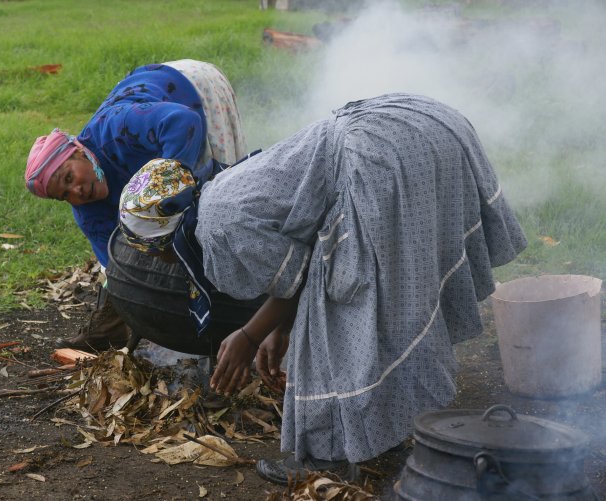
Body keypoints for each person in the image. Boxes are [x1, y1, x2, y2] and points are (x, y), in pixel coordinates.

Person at [118, 93, 527, 483]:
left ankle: (325, 460)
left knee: (336, 311)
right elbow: (303, 255)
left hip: (380, 156)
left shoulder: (218, 223)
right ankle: (394, 424)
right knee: (392, 295)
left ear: (164, 237)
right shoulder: (220, 190)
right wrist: (278, 329)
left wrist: (249, 335)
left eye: (155, 253)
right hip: (419, 123)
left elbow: (302, 280)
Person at [24, 59, 247, 351]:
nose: (76, 191)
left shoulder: (115, 131)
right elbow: (115, 266)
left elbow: (184, 123)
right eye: (64, 194)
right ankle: (113, 328)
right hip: (160, 121)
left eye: (69, 176)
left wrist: (173, 185)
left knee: (215, 192)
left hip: (191, 87)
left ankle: (242, 298)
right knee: (163, 220)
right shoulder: (89, 214)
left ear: (80, 152)